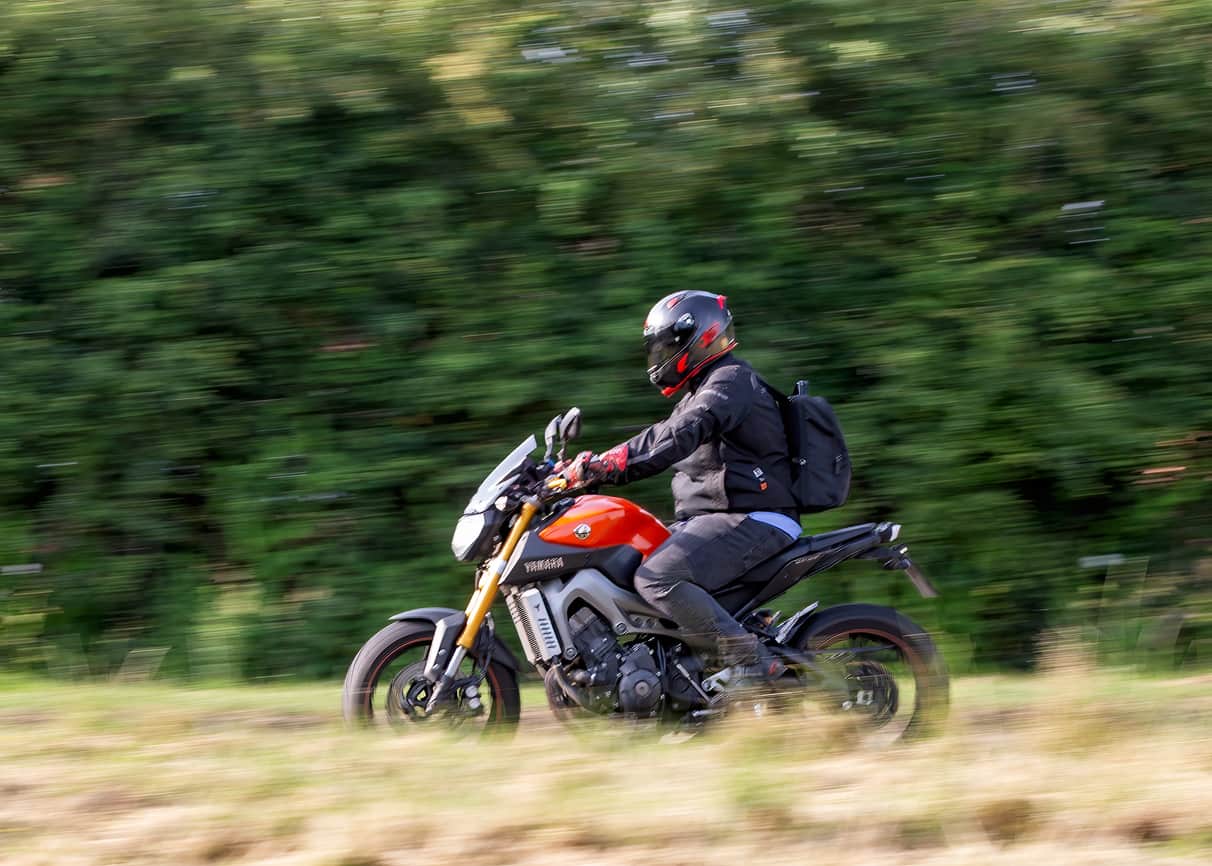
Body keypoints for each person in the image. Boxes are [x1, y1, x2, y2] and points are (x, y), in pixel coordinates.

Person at [557, 291, 799, 683]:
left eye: (666, 344)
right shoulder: (700, 389)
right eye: (656, 346)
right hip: (716, 518)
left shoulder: (731, 381)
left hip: (754, 515)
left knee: (658, 578)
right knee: (627, 559)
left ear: (700, 337)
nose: (658, 355)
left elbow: (678, 436)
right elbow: (660, 436)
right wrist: (584, 468)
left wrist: (606, 464)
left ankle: (756, 666)